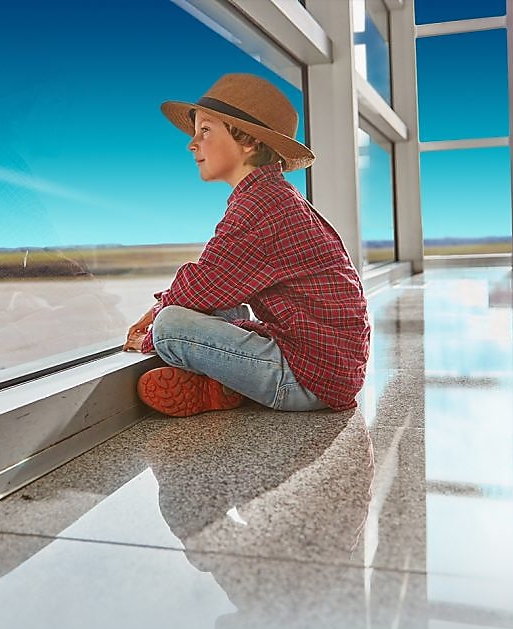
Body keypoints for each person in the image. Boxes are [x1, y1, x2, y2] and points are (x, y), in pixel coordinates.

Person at [124, 73, 370, 417]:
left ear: (248, 142)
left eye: (205, 130)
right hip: (327, 365)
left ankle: (221, 381)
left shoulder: (260, 206)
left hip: (310, 382)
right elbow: (215, 283)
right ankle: (219, 386)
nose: (192, 143)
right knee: (211, 306)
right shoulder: (273, 196)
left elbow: (201, 283)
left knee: (170, 326)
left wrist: (151, 329)